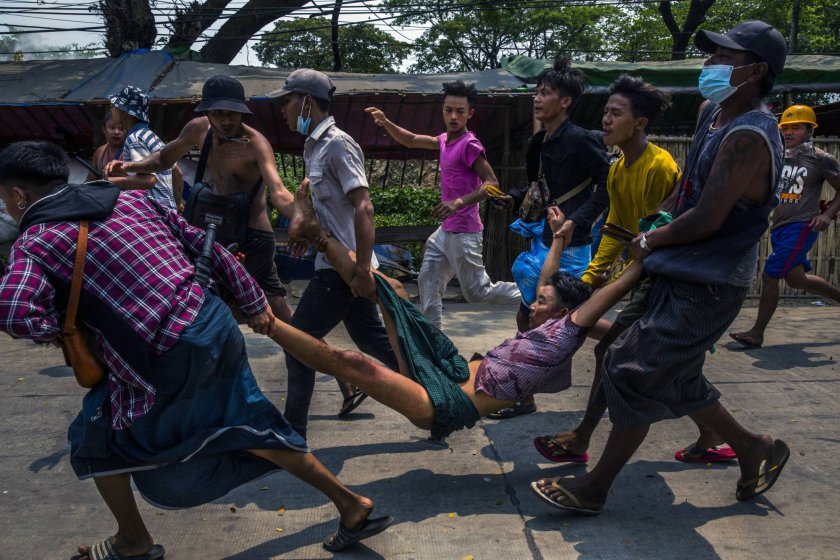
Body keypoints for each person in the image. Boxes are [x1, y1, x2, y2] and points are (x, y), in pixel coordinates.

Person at [0, 141, 392, 559]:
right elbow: (204, 244)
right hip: (213, 322)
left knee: (93, 435)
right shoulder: (129, 201)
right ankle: (351, 505)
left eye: (6, 198)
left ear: (20, 195)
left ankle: (133, 541)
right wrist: (255, 301)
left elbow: (14, 313)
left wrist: (65, 327)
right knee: (249, 421)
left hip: (164, 352)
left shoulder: (36, 241)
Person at [530, 20, 792, 515]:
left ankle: (595, 487)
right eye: (712, 53)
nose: (711, 63)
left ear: (756, 71)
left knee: (633, 370)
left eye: (725, 57)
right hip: (675, 267)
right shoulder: (712, 111)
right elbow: (689, 189)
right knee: (656, 368)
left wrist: (651, 237)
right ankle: (753, 447)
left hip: (710, 283)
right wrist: (660, 222)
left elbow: (710, 216)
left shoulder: (751, 135)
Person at [267, 181, 640, 443]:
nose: (532, 306)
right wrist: (558, 237)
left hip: (444, 403)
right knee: (391, 287)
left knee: (352, 362)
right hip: (448, 369)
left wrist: (640, 261)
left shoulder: (564, 333)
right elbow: (547, 279)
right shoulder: (543, 322)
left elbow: (602, 299)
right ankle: (319, 233)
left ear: (564, 314)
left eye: (542, 303)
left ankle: (268, 322)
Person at [534, 75, 681, 463]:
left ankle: (582, 438)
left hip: (667, 279)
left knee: (611, 353)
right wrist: (590, 278)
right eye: (605, 113)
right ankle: (724, 434)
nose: (606, 120)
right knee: (679, 372)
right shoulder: (617, 169)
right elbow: (616, 229)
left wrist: (616, 279)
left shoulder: (659, 166)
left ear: (640, 124)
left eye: (616, 114)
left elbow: (658, 234)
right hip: (643, 272)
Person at [269, 68, 399, 435]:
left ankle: (292, 433)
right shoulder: (314, 146)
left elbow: (364, 208)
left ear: (307, 102)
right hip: (334, 263)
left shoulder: (338, 144)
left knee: (300, 346)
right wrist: (305, 231)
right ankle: (437, 401)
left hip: (343, 271)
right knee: (373, 339)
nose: (283, 109)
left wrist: (360, 270)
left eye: (287, 101)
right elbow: (328, 212)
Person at [105, 75, 295, 322]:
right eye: (218, 113)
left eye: (232, 113)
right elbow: (162, 160)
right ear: (207, 113)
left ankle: (310, 353)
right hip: (213, 231)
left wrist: (303, 220)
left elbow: (278, 192)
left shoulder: (256, 144)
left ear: (242, 112)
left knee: (272, 304)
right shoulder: (198, 129)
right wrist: (129, 166)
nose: (225, 120)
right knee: (203, 300)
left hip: (252, 236)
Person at [494, 56, 612, 419]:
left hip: (573, 245)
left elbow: (608, 185)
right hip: (545, 240)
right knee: (529, 316)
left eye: (546, 93)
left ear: (565, 102)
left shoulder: (581, 141)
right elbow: (539, 190)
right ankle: (524, 394)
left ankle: (625, 341)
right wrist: (512, 199)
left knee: (573, 322)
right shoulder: (537, 144)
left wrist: (578, 221)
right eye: (536, 92)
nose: (537, 98)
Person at [365, 80, 520, 329]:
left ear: (470, 113)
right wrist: (385, 122)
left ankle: (531, 293)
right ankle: (433, 343)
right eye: (449, 110)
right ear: (443, 110)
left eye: (460, 111)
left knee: (477, 292)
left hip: (465, 233)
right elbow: (412, 139)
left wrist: (458, 202)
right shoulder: (444, 140)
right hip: (445, 232)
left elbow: (491, 183)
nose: (454, 116)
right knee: (428, 281)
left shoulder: (469, 145)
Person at [730, 104, 840, 349]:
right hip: (779, 226)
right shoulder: (778, 155)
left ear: (810, 129)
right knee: (797, 280)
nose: (789, 133)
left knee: (770, 275)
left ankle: (757, 333)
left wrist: (828, 215)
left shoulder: (821, 159)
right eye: (785, 128)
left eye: (796, 128)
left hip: (801, 226)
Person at [104, 85, 178, 212]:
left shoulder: (135, 139)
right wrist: (178, 203)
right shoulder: (150, 136)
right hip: (166, 209)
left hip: (154, 211)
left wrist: (112, 181)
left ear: (125, 112)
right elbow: (178, 171)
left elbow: (148, 180)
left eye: (114, 106)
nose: (112, 109)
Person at [85, 112, 125, 181]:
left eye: (121, 128)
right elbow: (90, 181)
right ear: (104, 130)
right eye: (112, 128)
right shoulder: (99, 152)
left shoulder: (132, 152)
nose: (116, 132)